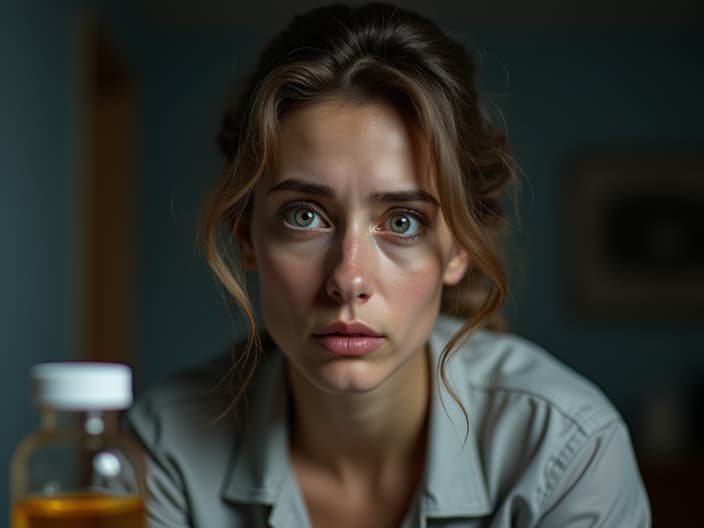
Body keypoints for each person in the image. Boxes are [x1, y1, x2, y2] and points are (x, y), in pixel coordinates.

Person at [126, 3, 651, 527]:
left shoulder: (567, 450)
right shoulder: (167, 446)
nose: (348, 280)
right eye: (305, 216)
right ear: (246, 238)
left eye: (402, 221)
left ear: (460, 246)